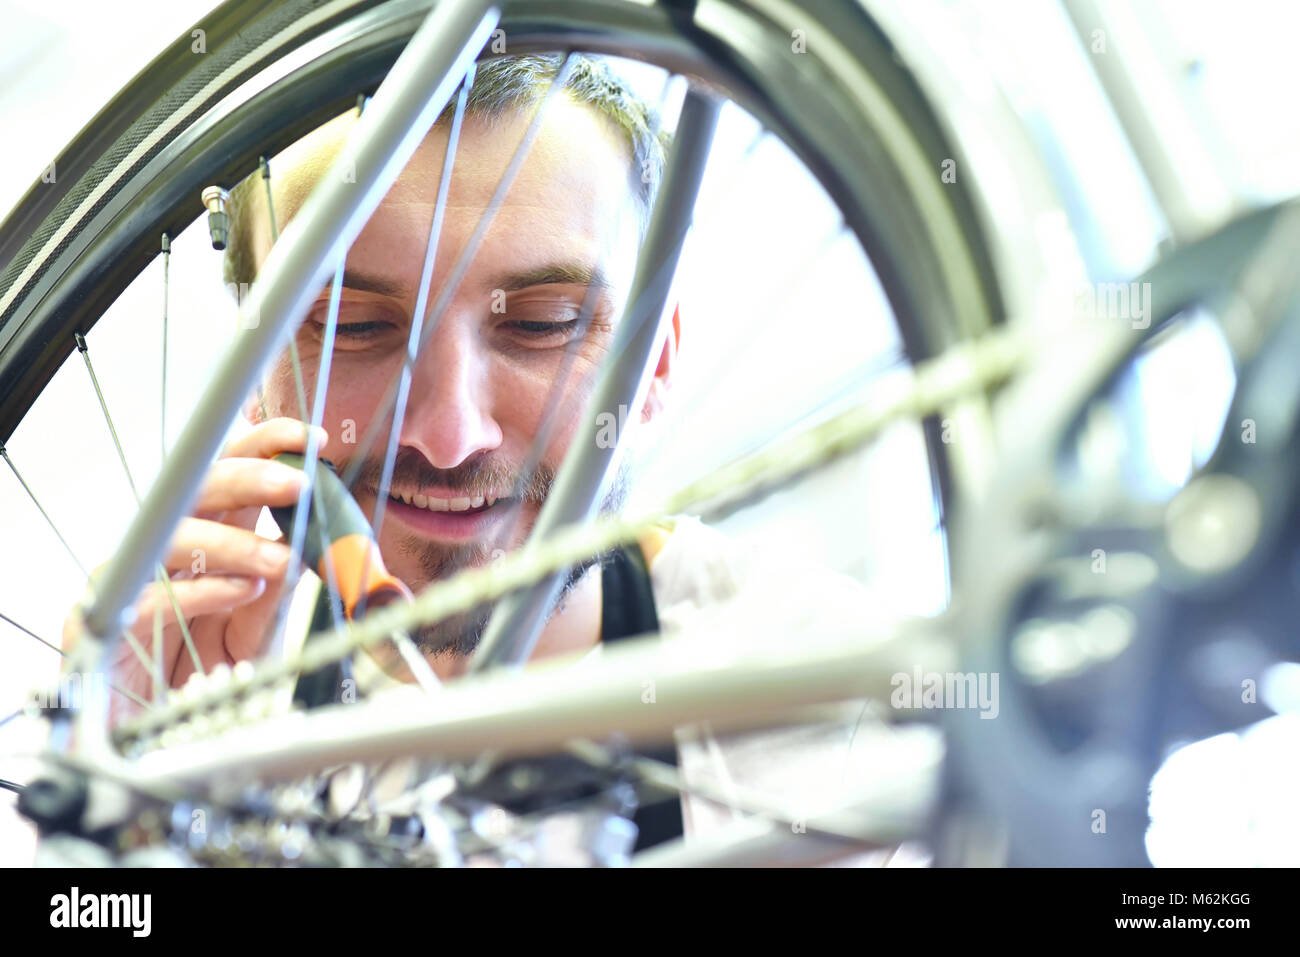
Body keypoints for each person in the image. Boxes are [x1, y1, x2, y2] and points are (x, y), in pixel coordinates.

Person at [70, 54, 930, 864]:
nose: (450, 433)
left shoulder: (828, 703)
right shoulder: (185, 693)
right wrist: (115, 811)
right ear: (252, 369)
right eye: (352, 328)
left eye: (542, 323)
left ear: (656, 364)